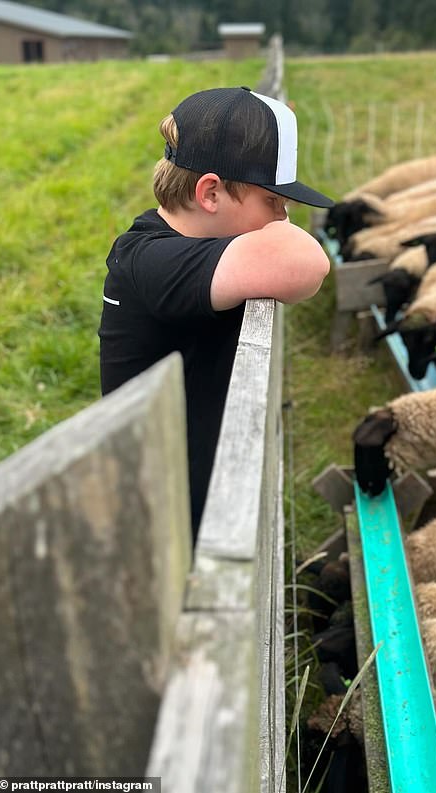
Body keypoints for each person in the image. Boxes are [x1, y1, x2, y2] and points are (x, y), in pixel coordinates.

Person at [98, 86, 333, 542]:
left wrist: (268, 217)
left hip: (193, 503)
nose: (283, 219)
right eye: (274, 202)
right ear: (210, 193)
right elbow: (307, 263)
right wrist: (279, 233)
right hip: (157, 526)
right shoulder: (149, 260)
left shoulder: (181, 250)